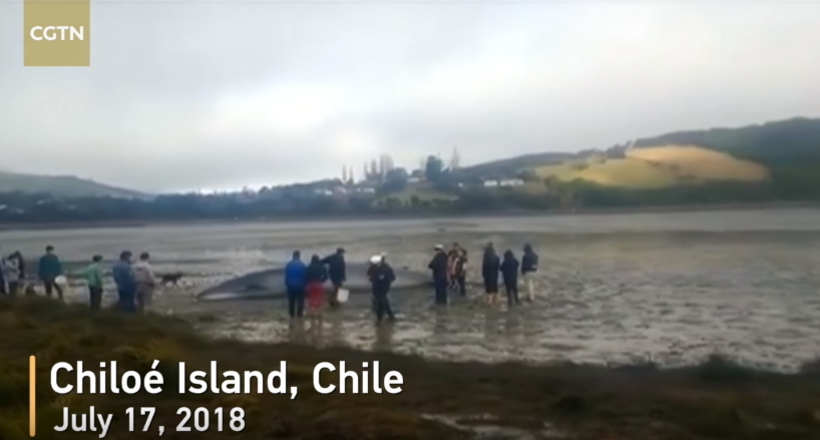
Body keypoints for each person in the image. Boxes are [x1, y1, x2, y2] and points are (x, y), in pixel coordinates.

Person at [369, 254, 396, 324]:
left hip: (381, 289)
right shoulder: (380, 268)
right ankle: (391, 315)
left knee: (380, 304)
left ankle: (379, 319)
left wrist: (383, 281)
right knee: (384, 302)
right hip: (379, 289)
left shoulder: (384, 269)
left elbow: (391, 278)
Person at [284, 251, 307, 319]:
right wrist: (305, 284)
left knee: (291, 301)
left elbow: (286, 275)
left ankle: (292, 314)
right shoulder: (302, 265)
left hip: (291, 285)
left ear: (293, 256)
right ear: (299, 256)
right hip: (300, 285)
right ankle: (299, 314)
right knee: (300, 300)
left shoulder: (289, 264)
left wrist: (287, 284)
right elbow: (305, 276)